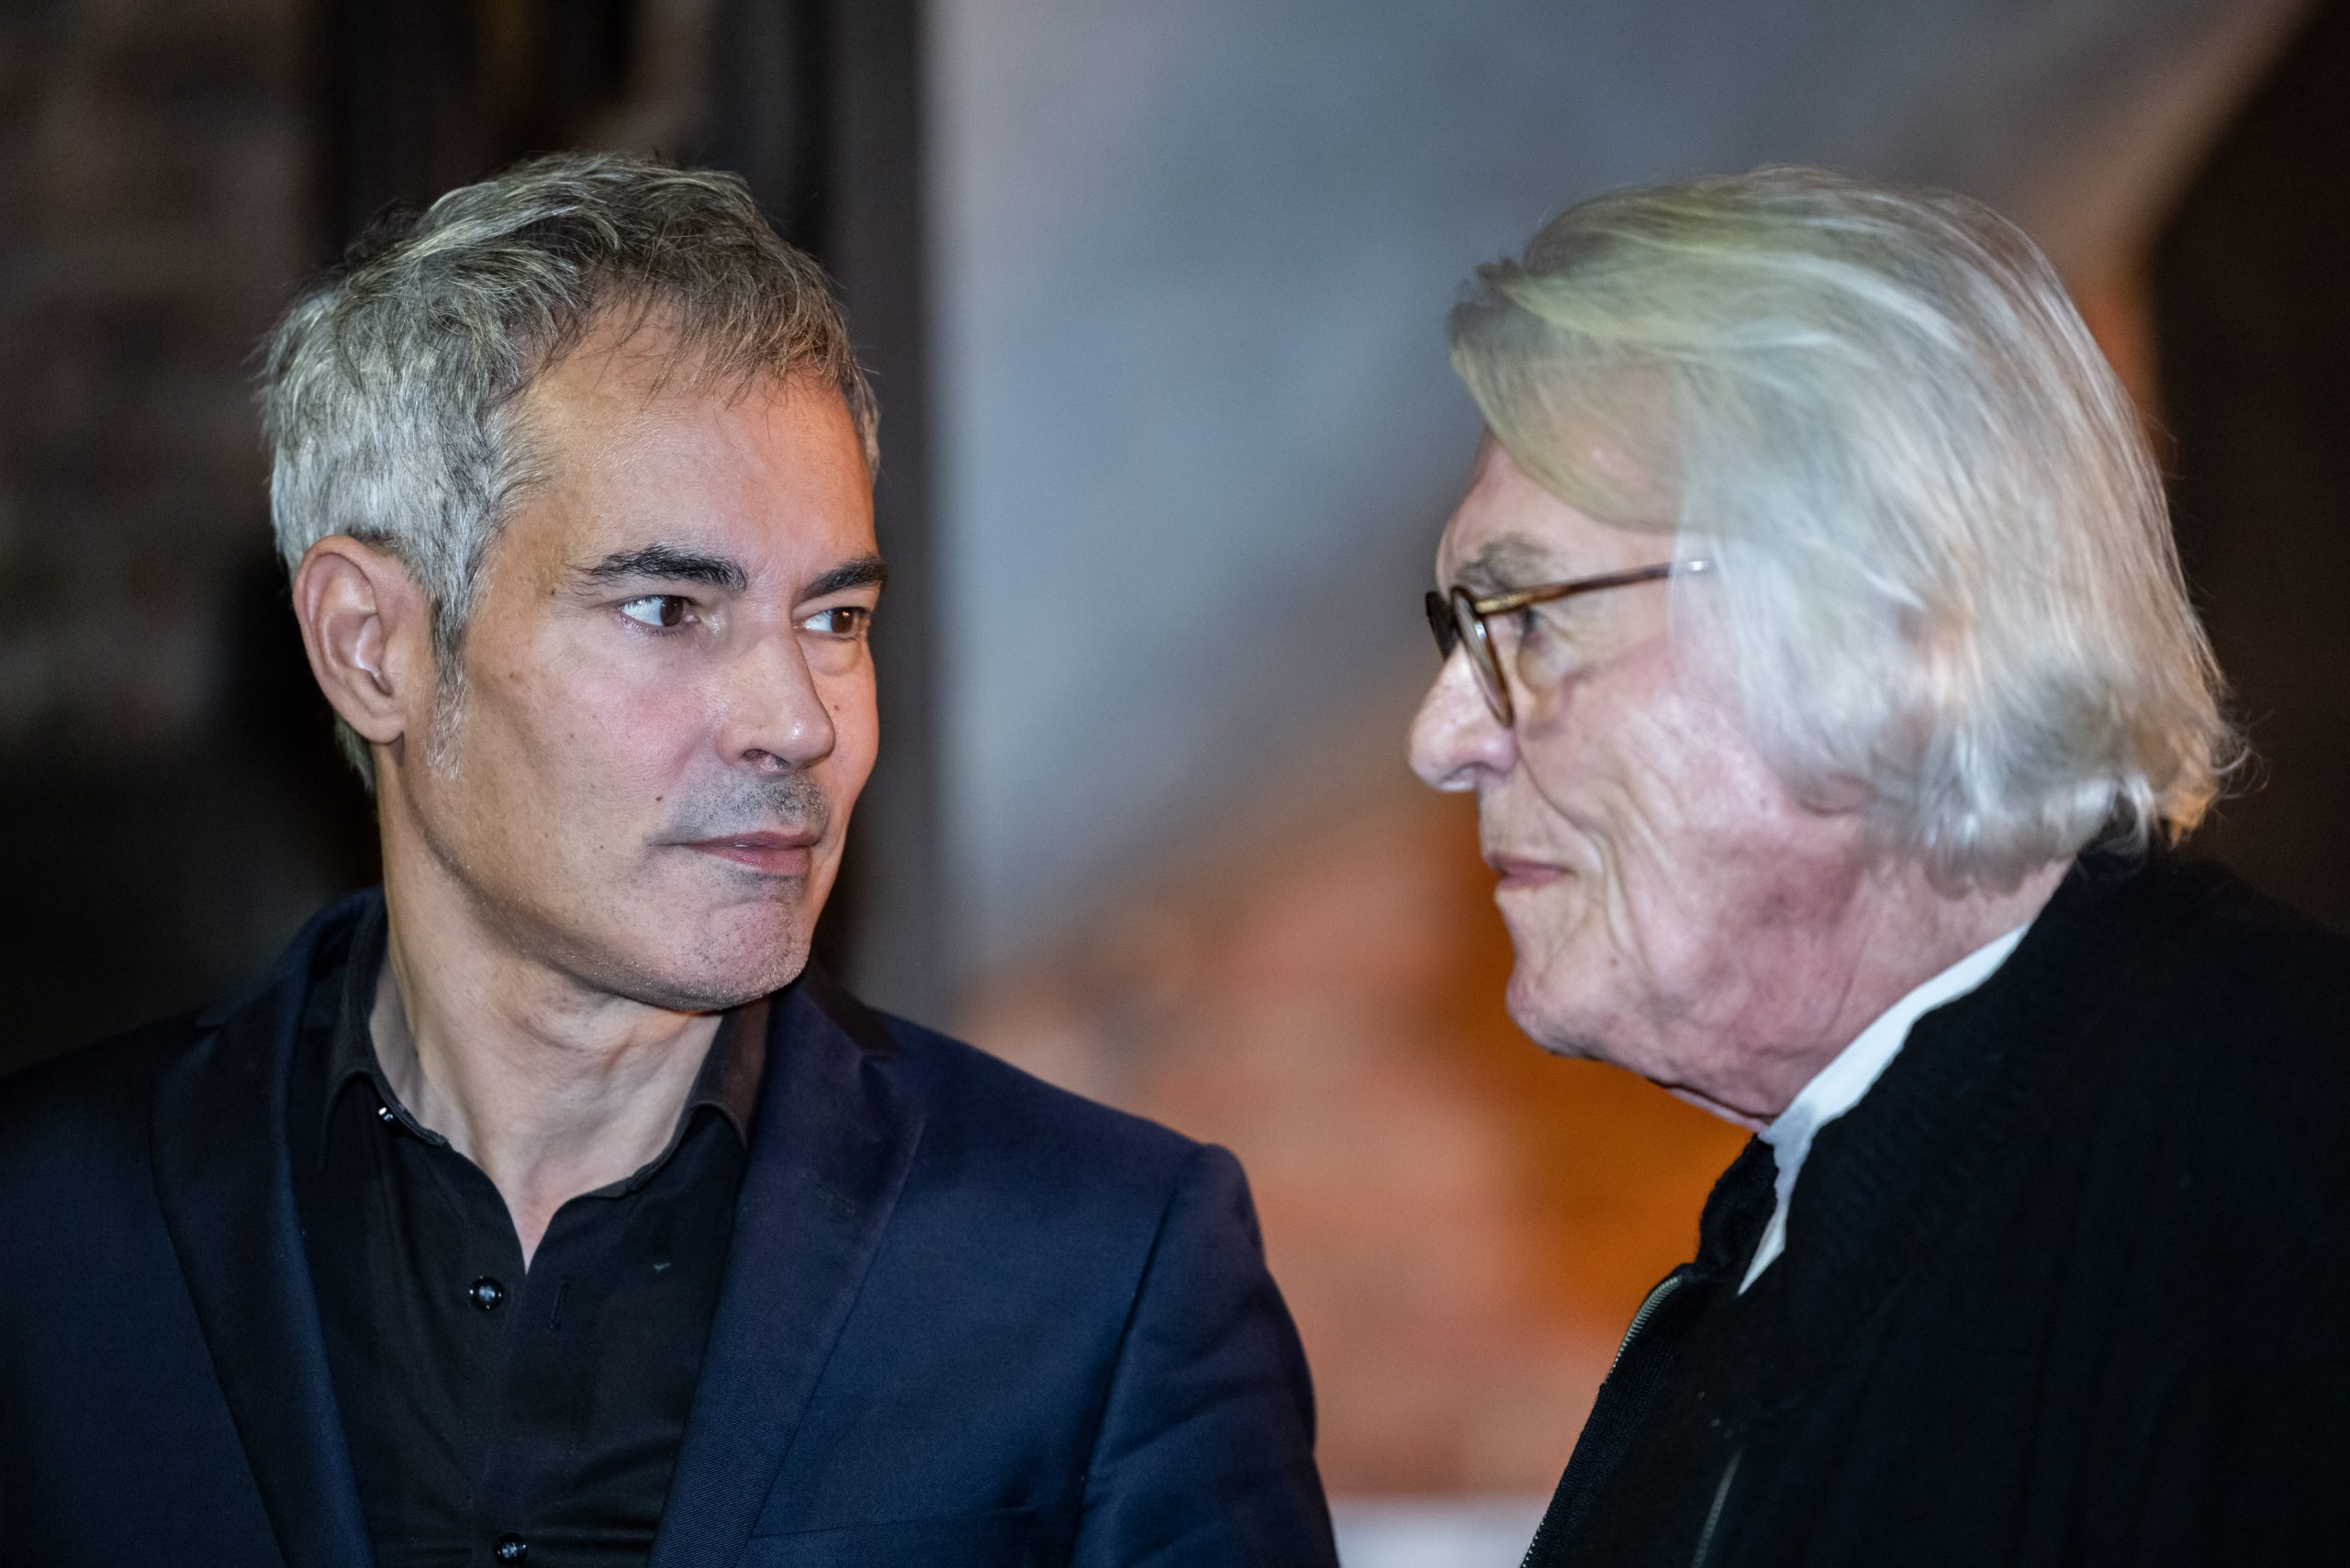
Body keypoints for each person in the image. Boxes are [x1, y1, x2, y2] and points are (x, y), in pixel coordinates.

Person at [0, 154, 1335, 1568]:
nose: (799, 721)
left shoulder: (1099, 1269)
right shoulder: (48, 1230)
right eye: (668, 609)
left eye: (835, 620)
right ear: (371, 645)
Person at [1408, 167, 2350, 1566]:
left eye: (1529, 619)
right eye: (1465, 633)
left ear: (1901, 629)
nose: (1442, 738)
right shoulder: (1830, 1214)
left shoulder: (2275, 1169)